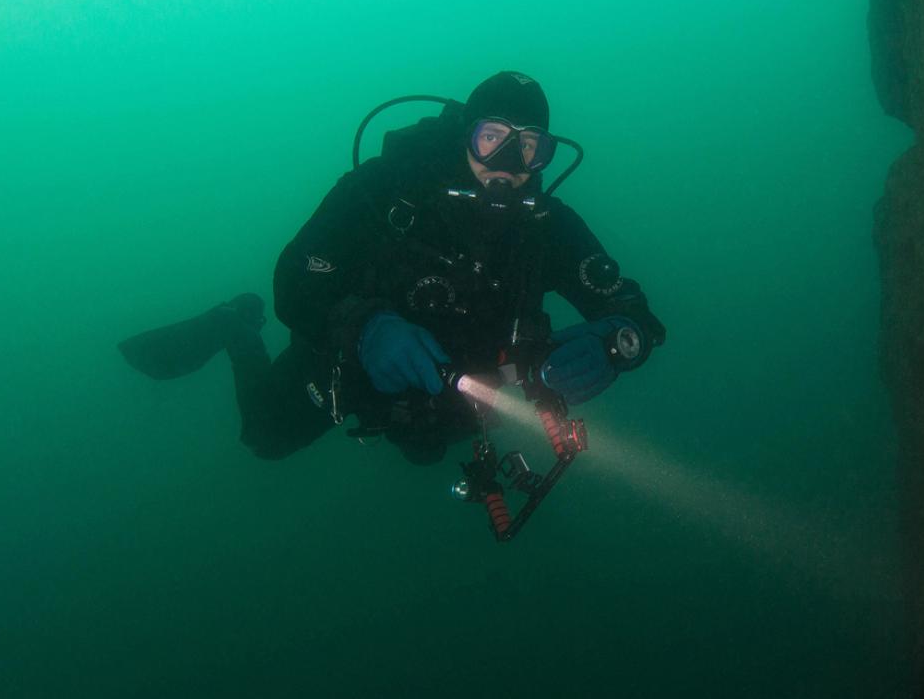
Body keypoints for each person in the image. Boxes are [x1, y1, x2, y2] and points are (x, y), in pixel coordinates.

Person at [120, 71, 666, 463]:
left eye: (528, 147)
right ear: (464, 135)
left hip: (452, 403)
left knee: (424, 450)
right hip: (346, 367)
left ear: (545, 156)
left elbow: (633, 310)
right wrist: (363, 328)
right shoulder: (385, 190)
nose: (506, 163)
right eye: (492, 138)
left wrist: (619, 342)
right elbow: (293, 279)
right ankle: (232, 325)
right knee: (265, 438)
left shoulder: (547, 226)